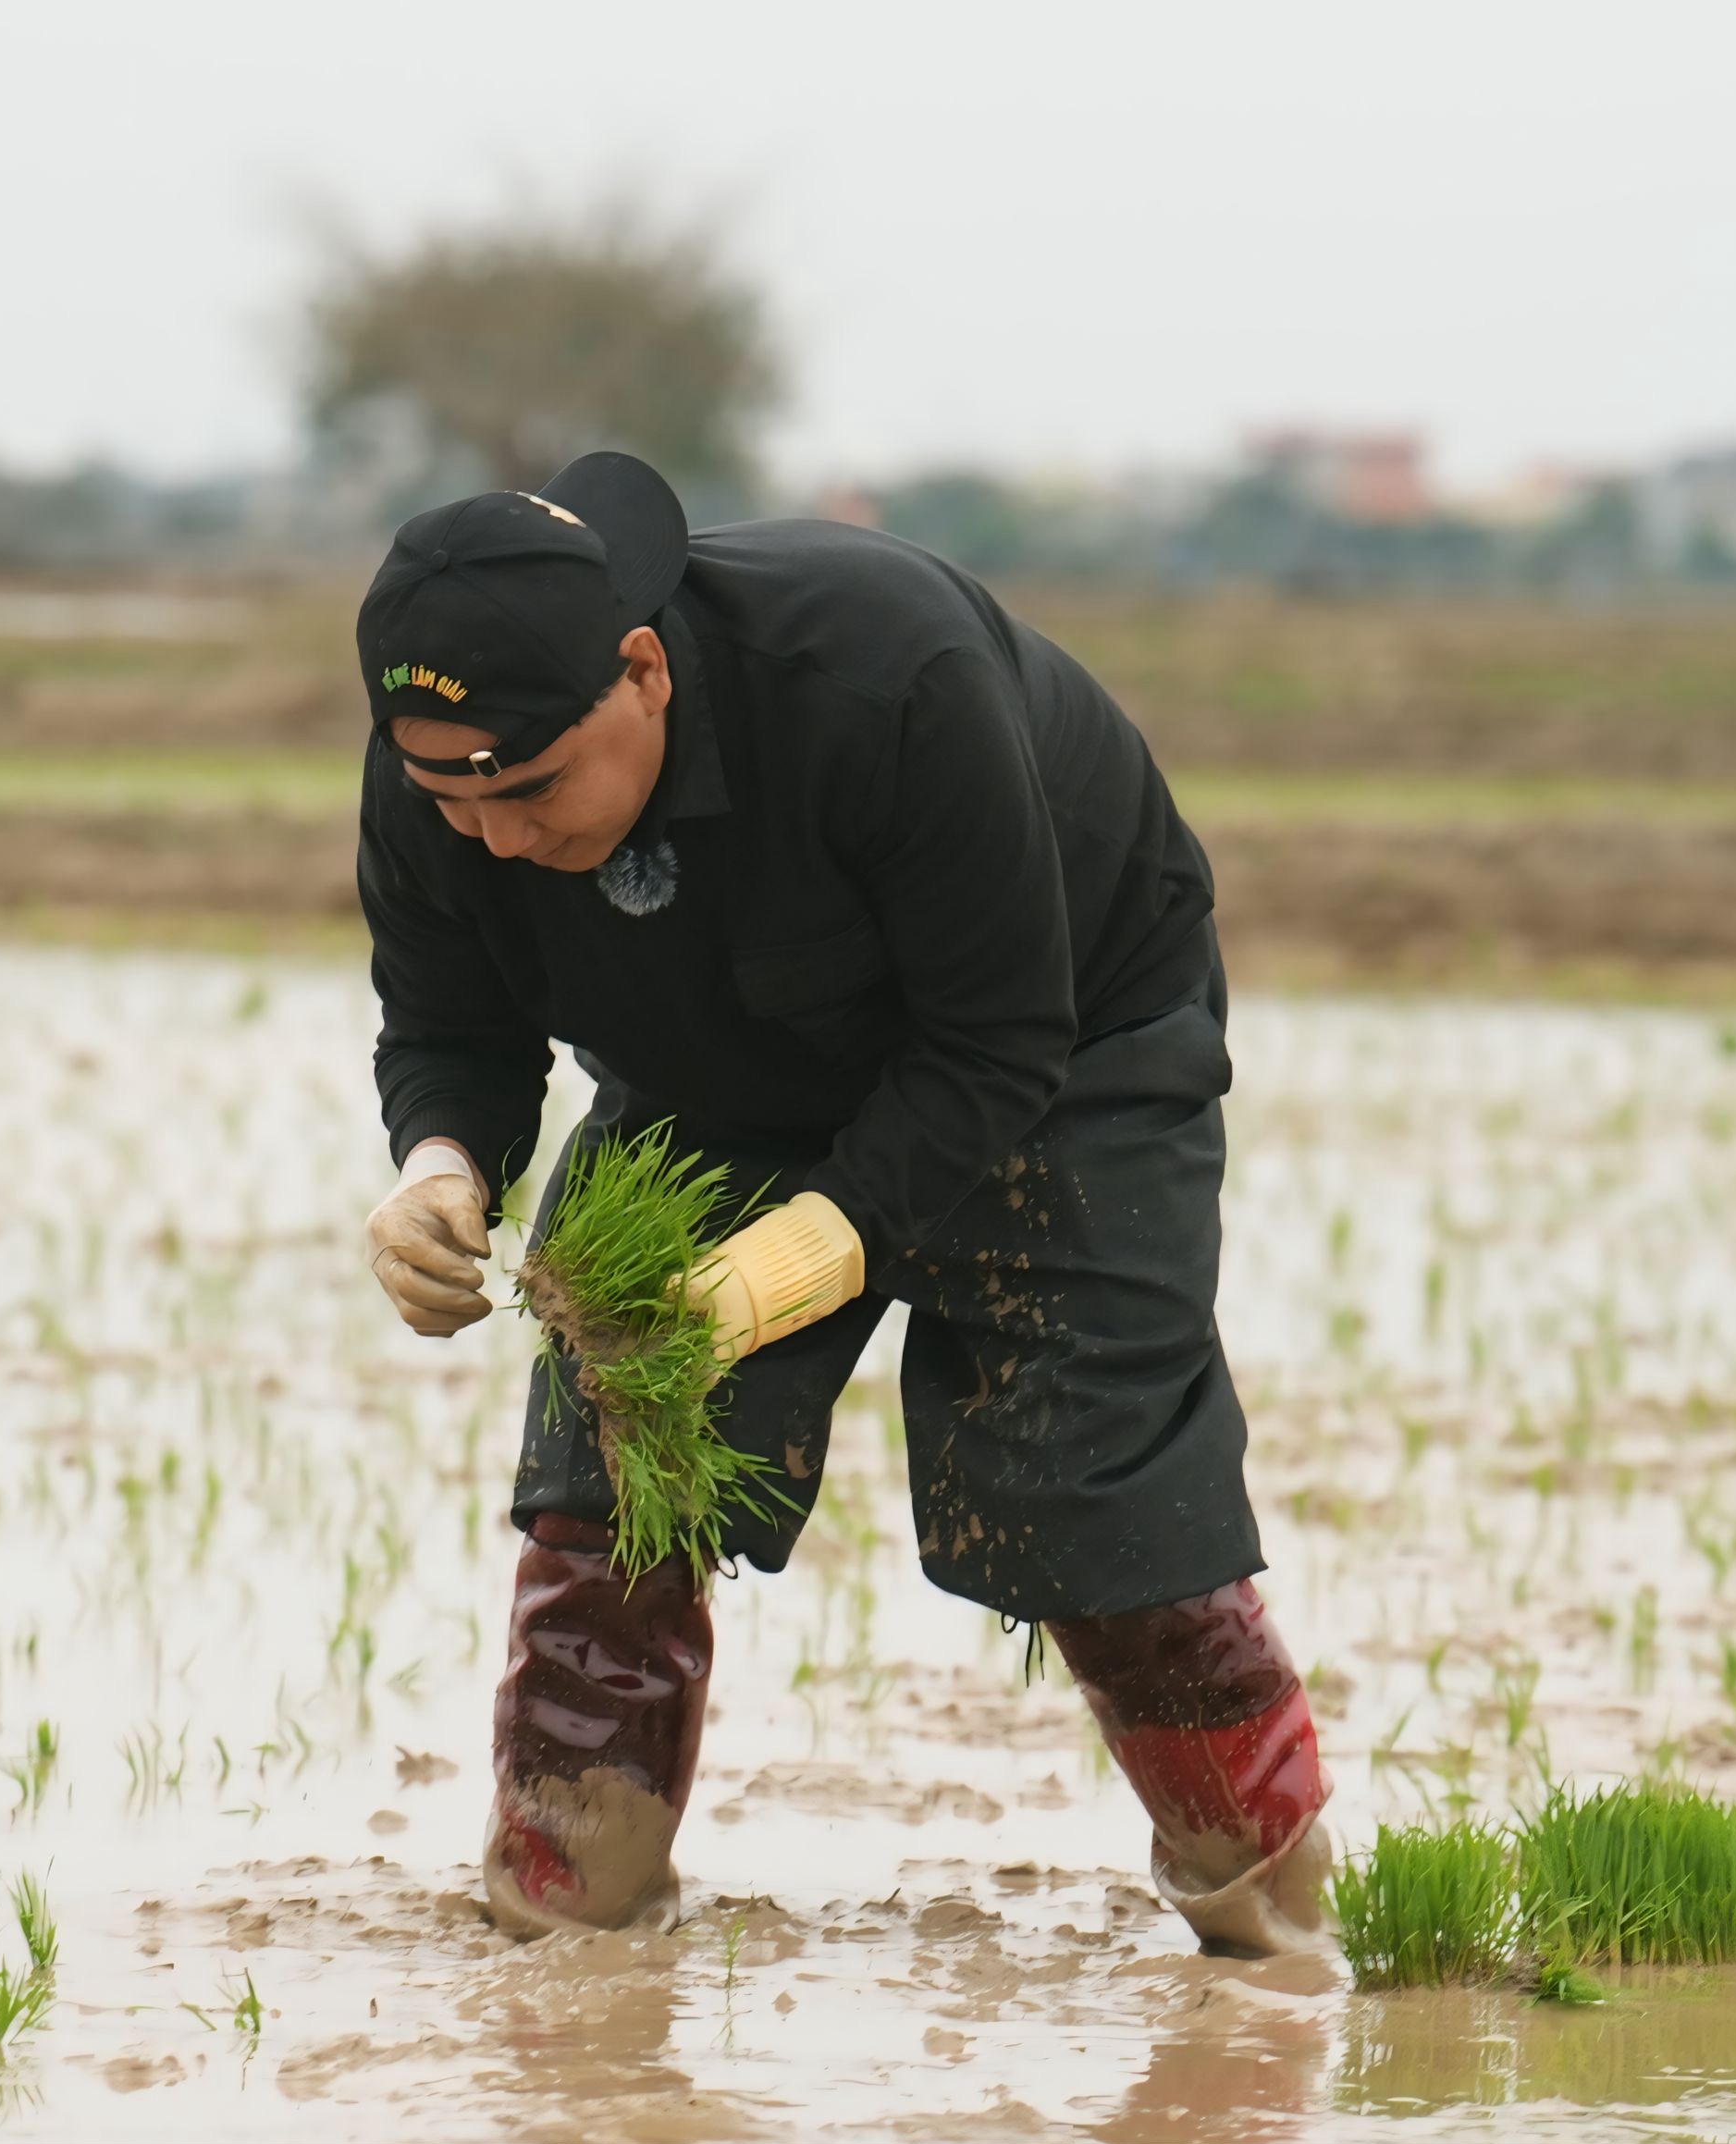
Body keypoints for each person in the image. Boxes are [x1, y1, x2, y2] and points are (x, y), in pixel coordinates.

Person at [353, 452, 1331, 1955]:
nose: (491, 835)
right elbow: (451, 1025)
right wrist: (443, 1166)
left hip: (1068, 1042)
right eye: (448, 796)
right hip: (717, 1070)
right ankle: (566, 1915)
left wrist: (800, 1257)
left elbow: (996, 1040)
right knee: (612, 1476)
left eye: (531, 789)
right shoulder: (449, 769)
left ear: (641, 672)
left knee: (1097, 1491)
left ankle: (1273, 1922)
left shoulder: (882, 679)